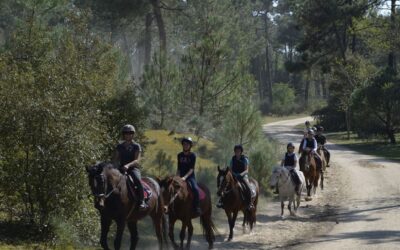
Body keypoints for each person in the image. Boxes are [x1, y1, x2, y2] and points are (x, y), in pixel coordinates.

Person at [113, 124, 147, 210]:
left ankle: (142, 201)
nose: (128, 135)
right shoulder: (119, 146)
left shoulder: (136, 146)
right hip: (121, 168)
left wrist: (128, 165)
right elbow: (116, 159)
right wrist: (114, 166)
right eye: (126, 133)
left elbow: (137, 160)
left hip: (133, 168)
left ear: (133, 134)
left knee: (137, 180)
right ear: (123, 134)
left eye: (130, 133)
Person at [177, 137, 201, 215]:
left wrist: (185, 177)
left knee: (195, 189)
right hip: (180, 176)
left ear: (190, 146)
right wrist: (177, 177)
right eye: (184, 144)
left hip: (190, 177)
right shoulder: (179, 155)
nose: (185, 145)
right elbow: (179, 168)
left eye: (187, 144)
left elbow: (191, 169)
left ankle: (196, 207)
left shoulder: (192, 156)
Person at [230, 145, 254, 210]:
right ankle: (221, 201)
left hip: (243, 176)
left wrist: (241, 174)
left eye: (239, 151)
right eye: (236, 151)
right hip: (234, 176)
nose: (237, 152)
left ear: (241, 152)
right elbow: (230, 169)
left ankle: (250, 203)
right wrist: (234, 174)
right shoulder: (232, 159)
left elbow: (247, 170)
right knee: (225, 186)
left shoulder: (245, 159)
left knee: (248, 187)